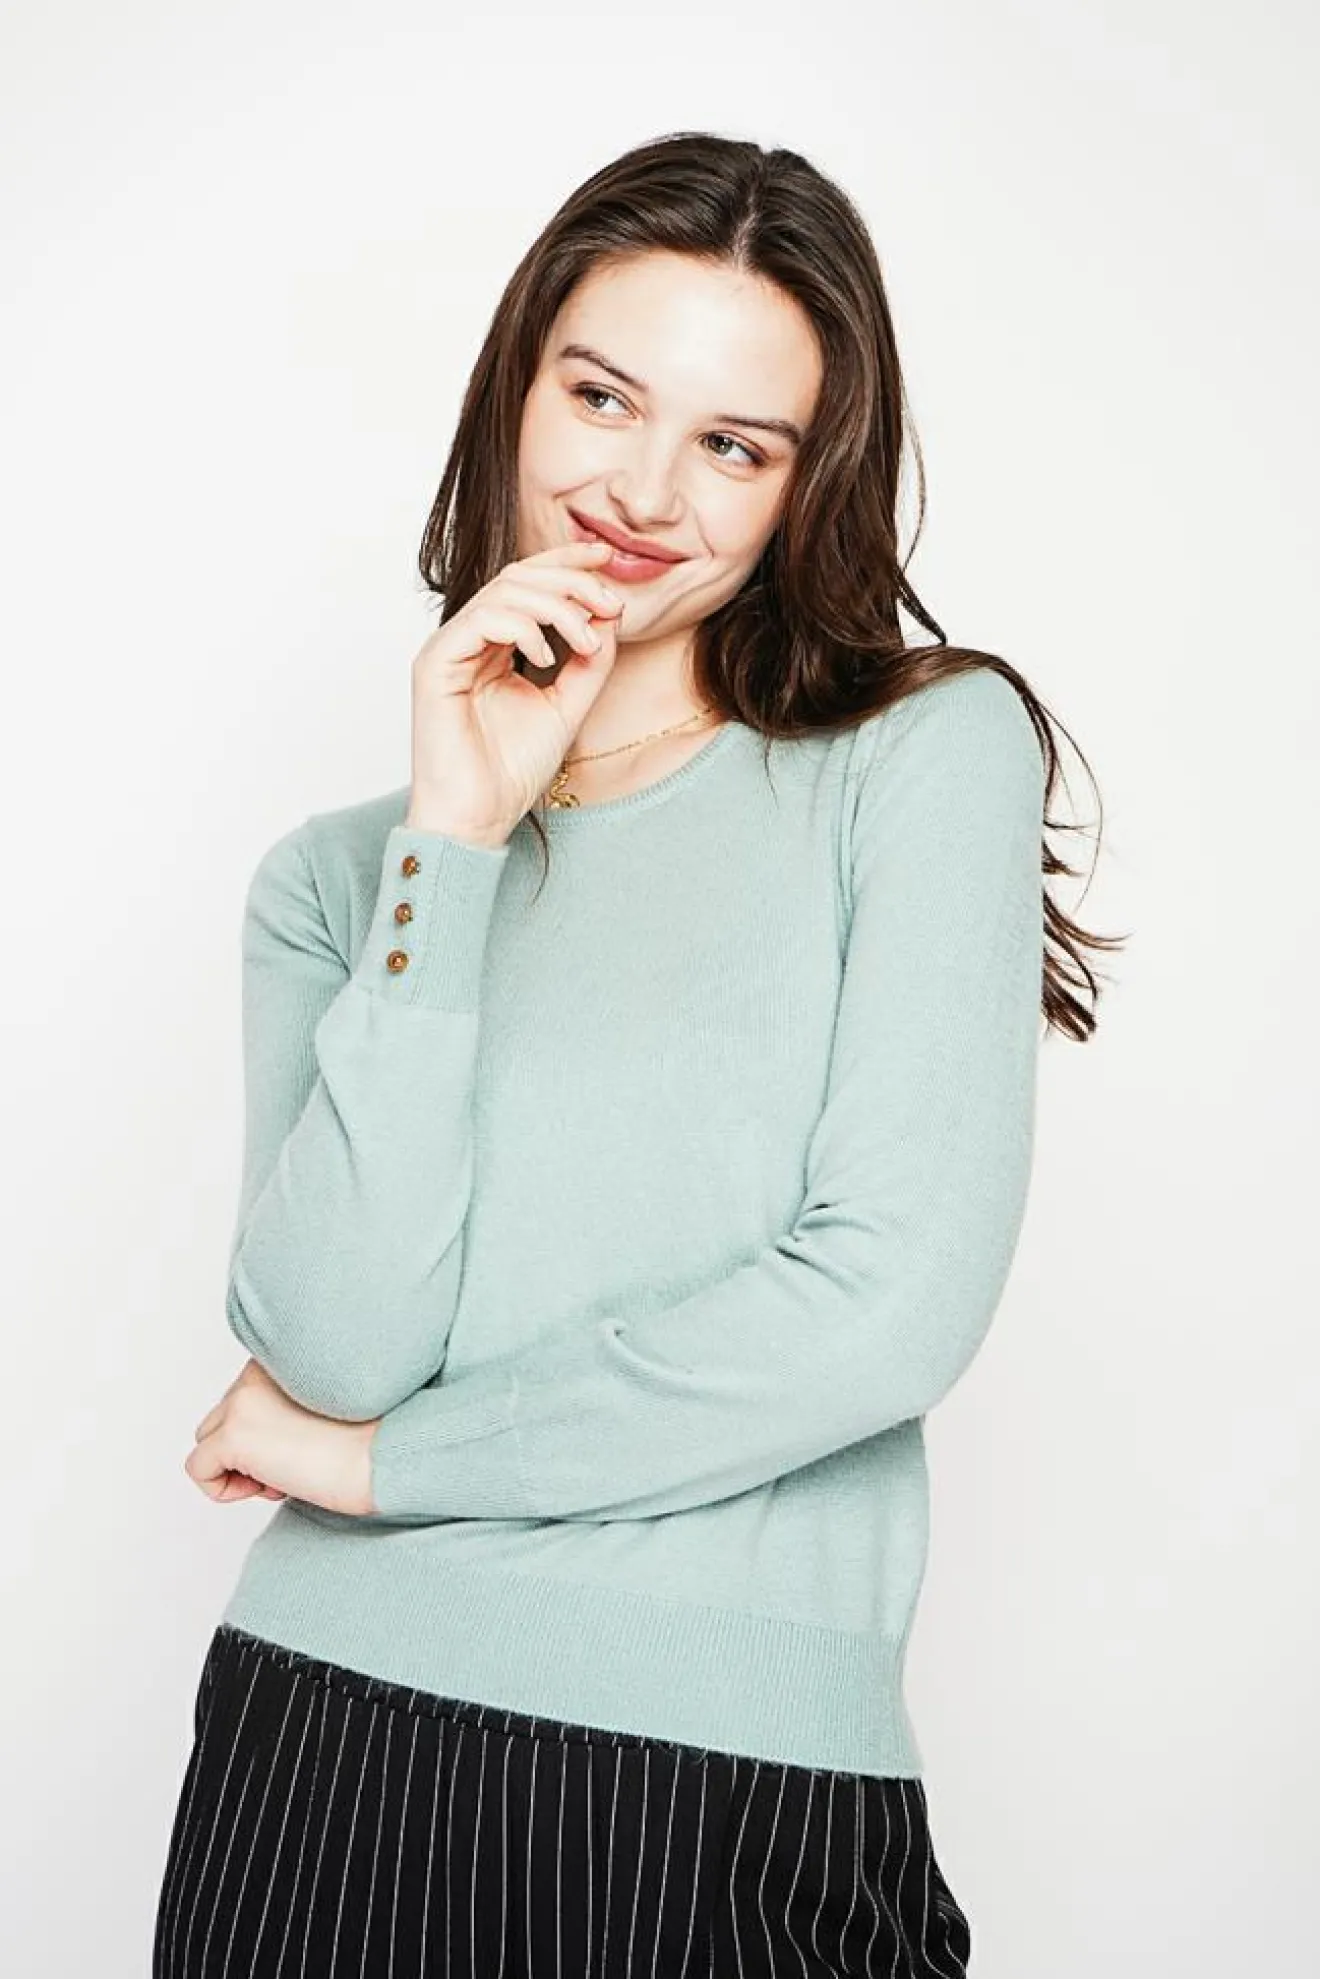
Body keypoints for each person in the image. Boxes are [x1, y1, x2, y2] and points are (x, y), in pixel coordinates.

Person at [152, 131, 1119, 1978]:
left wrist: (386, 1466)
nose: (644, 492)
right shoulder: (344, 878)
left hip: (724, 1785)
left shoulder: (921, 757)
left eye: (734, 445)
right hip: (318, 1743)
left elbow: (884, 1306)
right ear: (516, 387)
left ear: (806, 485)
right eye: (602, 397)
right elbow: (334, 1341)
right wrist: (455, 835)